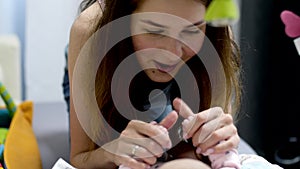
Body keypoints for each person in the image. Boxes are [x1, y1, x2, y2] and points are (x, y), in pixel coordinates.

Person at [67, 0, 243, 168]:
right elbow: (80, 159)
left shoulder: (215, 27)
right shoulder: (90, 31)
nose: (172, 55)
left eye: (192, 31)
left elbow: (218, 144)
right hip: (102, 66)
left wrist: (219, 138)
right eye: (155, 31)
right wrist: (111, 153)